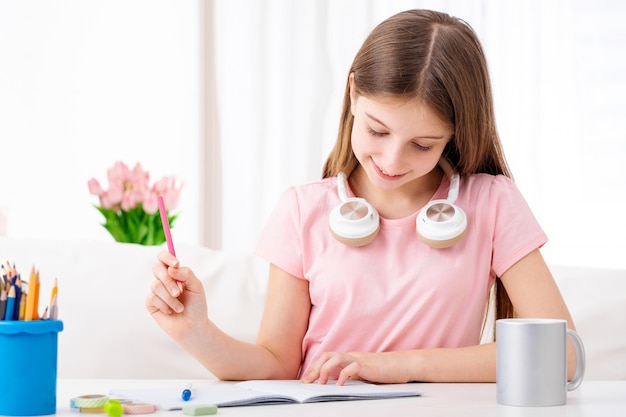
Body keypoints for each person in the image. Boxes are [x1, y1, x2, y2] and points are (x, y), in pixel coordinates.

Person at [146, 9, 578, 385]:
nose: (392, 160)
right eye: (377, 130)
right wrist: (194, 331)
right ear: (353, 93)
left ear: (454, 135)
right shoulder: (303, 210)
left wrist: (399, 365)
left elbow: (563, 354)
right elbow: (278, 364)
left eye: (423, 145)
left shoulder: (492, 204)